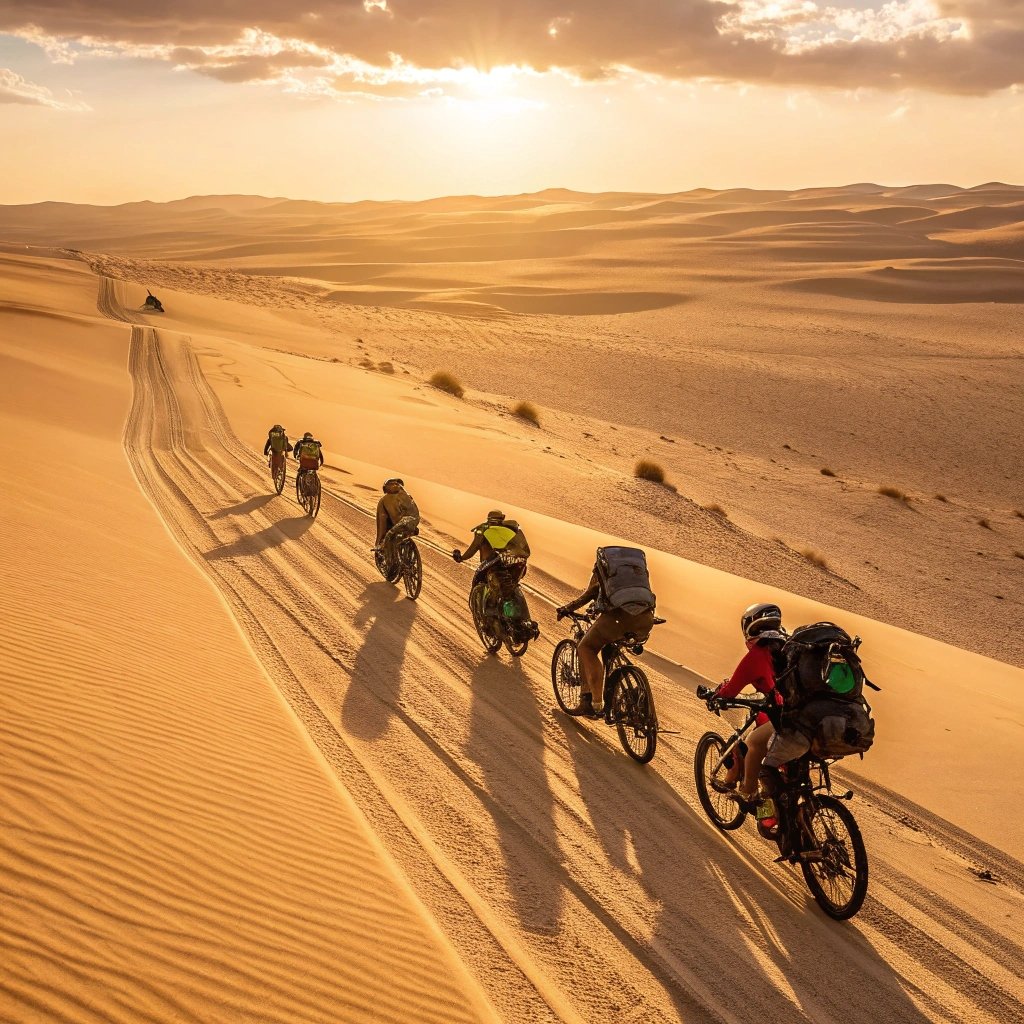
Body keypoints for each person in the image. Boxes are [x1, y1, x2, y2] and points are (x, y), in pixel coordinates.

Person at [556, 547, 657, 719]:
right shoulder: (636, 577)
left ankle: (595, 704)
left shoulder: (605, 573)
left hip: (616, 620)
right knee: (613, 643)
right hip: (645, 619)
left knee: (586, 648)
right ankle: (624, 692)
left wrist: (567, 608)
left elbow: (589, 594)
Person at [712, 603, 787, 806]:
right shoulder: (788, 645)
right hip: (806, 714)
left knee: (753, 742)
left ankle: (748, 793)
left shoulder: (757, 655)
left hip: (784, 717)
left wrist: (715, 694)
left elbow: (730, 691)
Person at [452, 510, 538, 637]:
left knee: (495, 591)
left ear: (489, 520)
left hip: (495, 568)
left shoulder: (485, 530)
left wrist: (461, 558)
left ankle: (493, 617)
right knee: (510, 588)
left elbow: (474, 547)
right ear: (502, 519)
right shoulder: (511, 530)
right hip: (516, 567)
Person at [373, 478, 420, 577]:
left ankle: (393, 565)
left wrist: (378, 542)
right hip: (412, 523)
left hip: (401, 524)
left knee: (389, 538)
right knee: (399, 537)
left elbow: (382, 523)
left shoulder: (385, 500)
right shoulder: (406, 495)